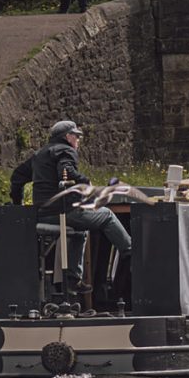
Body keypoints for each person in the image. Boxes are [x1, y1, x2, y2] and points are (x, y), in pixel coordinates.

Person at [9, 120, 132, 292]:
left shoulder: (40, 155)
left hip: (42, 213)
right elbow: (66, 173)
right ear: (68, 137)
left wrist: (18, 204)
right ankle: (130, 252)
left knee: (80, 232)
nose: (79, 141)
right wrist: (85, 181)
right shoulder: (66, 150)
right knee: (107, 215)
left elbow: (16, 177)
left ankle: (74, 279)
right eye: (77, 136)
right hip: (63, 210)